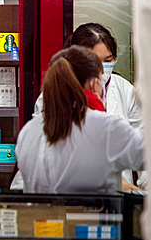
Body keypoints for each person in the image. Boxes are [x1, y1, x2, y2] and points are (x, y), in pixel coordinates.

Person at [15, 46, 144, 194]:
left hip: (42, 216)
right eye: (102, 82)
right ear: (94, 85)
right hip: (94, 216)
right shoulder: (105, 128)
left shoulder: (29, 131)